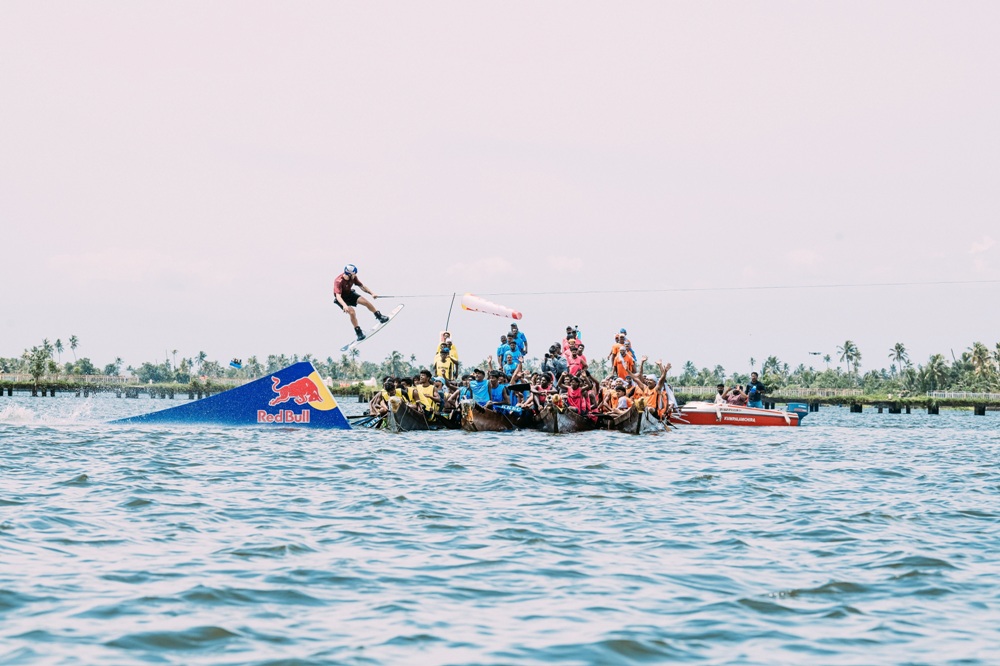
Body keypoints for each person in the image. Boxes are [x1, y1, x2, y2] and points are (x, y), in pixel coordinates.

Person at [334, 264, 389, 341]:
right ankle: (359, 332)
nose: (355, 275)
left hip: (349, 294)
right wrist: (344, 306)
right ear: (349, 274)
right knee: (352, 312)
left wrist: (372, 293)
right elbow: (338, 296)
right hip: (341, 299)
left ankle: (379, 316)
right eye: (354, 274)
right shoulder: (338, 281)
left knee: (366, 302)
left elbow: (362, 286)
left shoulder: (353, 277)